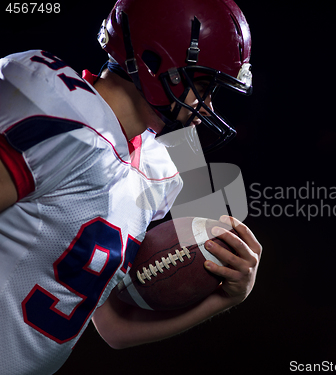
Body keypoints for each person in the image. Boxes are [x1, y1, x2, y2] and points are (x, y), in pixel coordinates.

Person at [0, 0, 261, 373]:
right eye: (203, 83)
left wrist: (226, 297)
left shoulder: (158, 170)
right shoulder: (57, 112)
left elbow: (114, 328)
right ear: (158, 65)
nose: (207, 104)